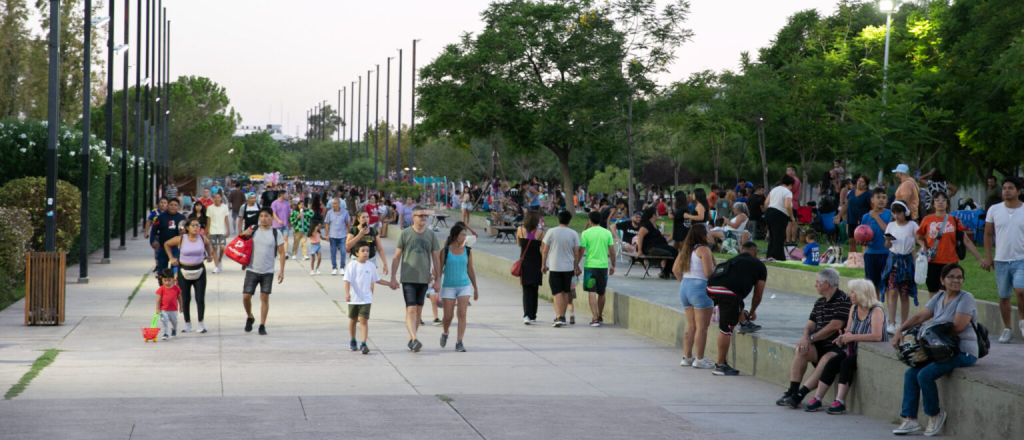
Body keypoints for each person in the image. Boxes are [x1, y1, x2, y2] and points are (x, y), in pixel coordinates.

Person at [892, 263, 978, 437]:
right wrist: (900, 330)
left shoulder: (966, 298)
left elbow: (958, 327)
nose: (956, 280)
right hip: (941, 350)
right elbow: (920, 316)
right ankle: (910, 419)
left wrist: (931, 336)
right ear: (942, 280)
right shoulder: (939, 298)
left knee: (924, 374)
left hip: (963, 351)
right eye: (951, 277)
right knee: (911, 374)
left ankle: (935, 414)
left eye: (959, 277)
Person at [807, 279, 888, 414]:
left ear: (862, 294)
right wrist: (842, 338)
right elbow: (849, 331)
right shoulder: (854, 308)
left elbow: (877, 336)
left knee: (846, 364)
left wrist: (852, 337)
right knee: (832, 362)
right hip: (853, 348)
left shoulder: (876, 311)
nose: (849, 295)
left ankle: (840, 401)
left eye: (853, 292)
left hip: (869, 352)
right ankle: (817, 398)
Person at [776, 268, 851, 408]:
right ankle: (792, 391)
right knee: (801, 348)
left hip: (838, 346)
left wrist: (811, 338)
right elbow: (809, 325)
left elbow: (835, 326)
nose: (815, 285)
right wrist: (806, 337)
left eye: (817, 282)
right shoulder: (819, 302)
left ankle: (800, 395)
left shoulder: (844, 300)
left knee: (826, 359)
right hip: (819, 344)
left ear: (826, 283)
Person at [706, 242, 767, 375]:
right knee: (726, 329)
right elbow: (758, 295)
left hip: (711, 289)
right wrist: (752, 312)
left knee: (737, 304)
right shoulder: (759, 265)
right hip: (728, 294)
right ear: (756, 252)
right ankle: (720, 366)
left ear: (741, 250)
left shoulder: (733, 260)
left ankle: (744, 322)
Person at [389, 205, 442, 352]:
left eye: (425, 216)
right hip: (408, 277)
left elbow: (436, 258)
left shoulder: (431, 235)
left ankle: (412, 338)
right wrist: (393, 277)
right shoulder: (405, 234)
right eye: (421, 215)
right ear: (413, 217)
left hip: (424, 278)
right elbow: (397, 256)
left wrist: (437, 280)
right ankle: (415, 338)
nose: (423, 218)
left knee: (418, 310)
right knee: (411, 309)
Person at [916, 191, 983, 298]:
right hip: (932, 262)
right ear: (933, 204)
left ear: (947, 204)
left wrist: (980, 258)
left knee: (945, 293)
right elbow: (919, 237)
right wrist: (923, 246)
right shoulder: (927, 220)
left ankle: (945, 313)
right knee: (933, 294)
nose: (940, 202)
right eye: (937, 200)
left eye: (944, 200)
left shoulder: (954, 220)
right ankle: (937, 314)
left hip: (950, 262)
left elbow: (966, 240)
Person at [983, 177, 1024, 343]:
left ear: (1019, 191)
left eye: (1011, 188)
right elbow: (988, 234)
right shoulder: (994, 210)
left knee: (1020, 291)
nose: (1007, 190)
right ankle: (1007, 328)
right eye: (1005, 188)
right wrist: (987, 256)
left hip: (1021, 258)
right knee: (1004, 295)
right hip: (1001, 259)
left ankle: (1022, 320)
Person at [672, 223, 716, 369]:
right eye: (707, 232)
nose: (709, 235)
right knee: (702, 327)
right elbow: (708, 272)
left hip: (685, 287)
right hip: (700, 288)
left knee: (691, 325)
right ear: (702, 235)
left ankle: (687, 357)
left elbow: (675, 270)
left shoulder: (685, 250)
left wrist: (684, 282)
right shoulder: (703, 250)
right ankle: (700, 359)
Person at [239, 208, 286, 336]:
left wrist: (281, 271)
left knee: (264, 297)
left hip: (268, 271)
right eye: (261, 216)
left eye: (266, 216)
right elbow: (240, 240)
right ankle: (250, 316)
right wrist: (245, 233)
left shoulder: (276, 233)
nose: (264, 218)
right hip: (252, 269)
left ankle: (262, 325)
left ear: (271, 218)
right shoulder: (253, 230)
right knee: (246, 296)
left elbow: (282, 253)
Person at [164, 217, 215, 333]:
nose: (196, 228)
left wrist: (210, 255)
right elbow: (166, 244)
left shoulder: (202, 238)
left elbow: (208, 245)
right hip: (184, 271)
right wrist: (171, 258)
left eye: (198, 225)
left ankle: (201, 323)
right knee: (185, 298)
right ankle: (187, 323)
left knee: (200, 298)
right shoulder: (181, 239)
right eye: (193, 225)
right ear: (187, 227)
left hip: (199, 271)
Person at [438, 223, 480, 352]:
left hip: (464, 286)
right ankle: (445, 332)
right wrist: (436, 285)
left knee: (462, 314)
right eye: (462, 235)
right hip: (448, 287)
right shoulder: (445, 251)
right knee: (448, 316)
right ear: (455, 236)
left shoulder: (467, 251)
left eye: (465, 235)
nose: (464, 237)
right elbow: (439, 270)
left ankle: (459, 341)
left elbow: (470, 270)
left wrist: (475, 288)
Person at [345, 242, 391, 355]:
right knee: (353, 320)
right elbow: (347, 280)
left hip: (366, 298)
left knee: (364, 320)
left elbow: (377, 279)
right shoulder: (352, 265)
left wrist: (390, 284)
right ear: (357, 253)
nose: (366, 253)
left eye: (367, 250)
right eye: (363, 251)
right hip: (354, 298)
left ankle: (364, 343)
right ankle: (353, 340)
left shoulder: (370, 265)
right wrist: (347, 293)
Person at [881, 201, 920, 334]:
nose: (897, 215)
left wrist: (923, 249)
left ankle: (904, 325)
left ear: (905, 212)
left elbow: (919, 239)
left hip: (906, 261)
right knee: (892, 291)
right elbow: (887, 246)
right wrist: (888, 240)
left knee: (904, 293)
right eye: (894, 213)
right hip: (893, 260)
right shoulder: (891, 226)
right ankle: (891, 323)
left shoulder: (912, 225)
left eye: (899, 212)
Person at [542, 210, 581, 327]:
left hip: (554, 267)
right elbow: (576, 253)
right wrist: (575, 267)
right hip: (568, 267)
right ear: (569, 221)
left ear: (558, 219)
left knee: (556, 293)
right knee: (565, 292)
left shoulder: (551, 232)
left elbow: (545, 250)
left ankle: (559, 316)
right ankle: (563, 317)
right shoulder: (573, 233)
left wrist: (543, 264)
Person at [579, 210, 615, 326]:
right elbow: (612, 252)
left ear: (589, 221)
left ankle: (594, 318)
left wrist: (576, 265)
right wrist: (613, 265)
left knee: (592, 292)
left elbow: (581, 251)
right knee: (602, 292)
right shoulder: (607, 233)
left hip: (590, 267)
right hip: (603, 266)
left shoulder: (585, 233)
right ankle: (600, 315)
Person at [862, 188, 893, 294]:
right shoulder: (866, 217)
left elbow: (888, 231)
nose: (881, 200)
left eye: (884, 198)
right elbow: (862, 234)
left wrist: (876, 217)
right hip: (871, 254)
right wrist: (863, 242)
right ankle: (876, 308)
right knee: (872, 286)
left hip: (886, 253)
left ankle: (889, 310)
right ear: (872, 200)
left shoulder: (890, 215)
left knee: (888, 285)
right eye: (878, 197)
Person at [517, 210, 545, 324]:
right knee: (535, 289)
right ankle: (533, 314)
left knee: (526, 289)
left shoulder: (520, 230)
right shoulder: (541, 233)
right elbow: (543, 250)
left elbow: (519, 244)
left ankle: (527, 314)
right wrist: (543, 264)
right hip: (536, 262)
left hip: (525, 262)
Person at [635, 207, 678, 279]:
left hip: (657, 245)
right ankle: (667, 272)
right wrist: (639, 251)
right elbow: (640, 235)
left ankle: (667, 271)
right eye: (657, 213)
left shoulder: (653, 224)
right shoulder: (646, 224)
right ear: (653, 215)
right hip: (650, 248)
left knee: (673, 251)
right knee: (673, 252)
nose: (658, 215)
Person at [836, 174, 872, 255]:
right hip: (851, 219)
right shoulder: (851, 192)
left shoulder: (868, 195)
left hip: (863, 221)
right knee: (851, 240)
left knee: (864, 241)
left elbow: (872, 207)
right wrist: (839, 215)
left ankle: (865, 257)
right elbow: (847, 204)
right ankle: (853, 258)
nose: (859, 183)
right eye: (859, 181)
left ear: (866, 185)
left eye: (862, 182)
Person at [150, 198, 188, 273]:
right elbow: (153, 231)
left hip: (176, 248)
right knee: (161, 270)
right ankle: (162, 284)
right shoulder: (161, 217)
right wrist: (152, 242)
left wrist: (185, 232)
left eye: (175, 205)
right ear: (168, 206)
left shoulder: (182, 218)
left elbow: (188, 232)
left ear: (178, 207)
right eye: (171, 205)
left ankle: (174, 283)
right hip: (163, 248)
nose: (173, 207)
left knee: (175, 269)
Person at [765, 175, 796, 261]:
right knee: (779, 236)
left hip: (769, 211)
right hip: (779, 214)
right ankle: (778, 256)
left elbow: (766, 202)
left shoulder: (774, 189)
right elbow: (787, 206)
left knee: (772, 235)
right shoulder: (787, 192)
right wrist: (792, 217)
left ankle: (770, 254)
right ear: (790, 184)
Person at [323, 198, 352, 276]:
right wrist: (326, 234)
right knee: (333, 253)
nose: (333, 205)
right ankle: (334, 268)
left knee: (343, 252)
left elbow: (348, 223)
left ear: (339, 204)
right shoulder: (329, 213)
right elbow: (327, 224)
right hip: (332, 236)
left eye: (335, 203)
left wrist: (349, 233)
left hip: (342, 235)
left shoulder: (345, 212)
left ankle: (342, 267)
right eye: (332, 203)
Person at [154, 268, 182, 341]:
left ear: (173, 279)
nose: (167, 282)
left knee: (175, 322)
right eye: (165, 280)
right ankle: (165, 333)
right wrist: (157, 309)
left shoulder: (176, 288)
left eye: (169, 280)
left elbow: (179, 298)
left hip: (173, 309)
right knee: (164, 321)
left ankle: (174, 329)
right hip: (164, 309)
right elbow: (158, 300)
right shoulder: (161, 289)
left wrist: (181, 307)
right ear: (162, 280)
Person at [207, 192, 230, 274]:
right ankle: (216, 266)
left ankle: (219, 260)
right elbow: (208, 220)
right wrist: (208, 231)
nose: (217, 199)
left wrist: (228, 230)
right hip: (213, 230)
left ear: (221, 198)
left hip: (222, 230)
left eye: (218, 197)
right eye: (215, 197)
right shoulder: (210, 208)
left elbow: (226, 219)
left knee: (222, 247)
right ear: (213, 199)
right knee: (214, 248)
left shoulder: (225, 207)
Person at [271, 191, 291, 258]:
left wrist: (290, 222)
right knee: (278, 240)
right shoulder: (274, 203)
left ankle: (285, 253)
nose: (286, 195)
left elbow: (289, 213)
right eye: (285, 194)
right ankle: (279, 253)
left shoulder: (286, 203)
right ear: (281, 195)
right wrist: (278, 220)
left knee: (285, 238)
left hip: (285, 224)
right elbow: (273, 213)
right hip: (277, 225)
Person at [786, 166, 802, 243]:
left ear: (793, 172)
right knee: (794, 222)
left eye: (789, 170)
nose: (787, 172)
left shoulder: (793, 181)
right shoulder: (798, 181)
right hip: (795, 203)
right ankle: (793, 240)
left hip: (790, 202)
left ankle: (788, 240)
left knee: (789, 223)